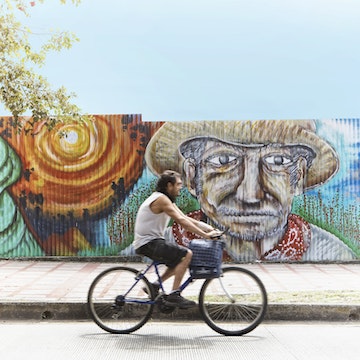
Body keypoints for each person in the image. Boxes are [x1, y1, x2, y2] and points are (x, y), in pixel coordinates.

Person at [144, 120, 357, 262]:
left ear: (298, 177)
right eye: (223, 160)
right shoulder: (168, 243)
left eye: (277, 161)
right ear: (192, 177)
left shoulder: (332, 251)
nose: (251, 195)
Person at [133, 170, 223, 308]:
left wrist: (210, 230)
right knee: (186, 254)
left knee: (178, 261)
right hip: (148, 243)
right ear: (169, 186)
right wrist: (204, 236)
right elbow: (180, 220)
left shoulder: (165, 199)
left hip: (152, 242)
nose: (181, 187)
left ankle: (154, 285)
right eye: (178, 185)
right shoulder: (161, 199)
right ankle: (174, 294)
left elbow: (187, 219)